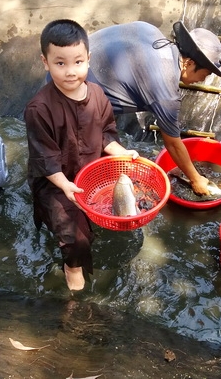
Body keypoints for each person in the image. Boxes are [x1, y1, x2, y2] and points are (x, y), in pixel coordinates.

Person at [25, 19, 139, 291]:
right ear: (45, 62)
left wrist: (122, 153)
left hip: (91, 172)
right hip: (55, 181)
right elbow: (45, 158)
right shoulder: (38, 109)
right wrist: (65, 185)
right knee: (75, 237)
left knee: (100, 220)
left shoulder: (98, 95)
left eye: (77, 62)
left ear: (88, 58)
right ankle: (71, 266)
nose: (70, 71)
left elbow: (107, 135)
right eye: (60, 63)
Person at [87, 21, 221, 195]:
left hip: (71, 66)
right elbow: (173, 144)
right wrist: (195, 178)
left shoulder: (152, 32)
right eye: (205, 74)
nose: (203, 80)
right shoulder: (166, 91)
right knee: (93, 176)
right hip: (75, 101)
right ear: (188, 63)